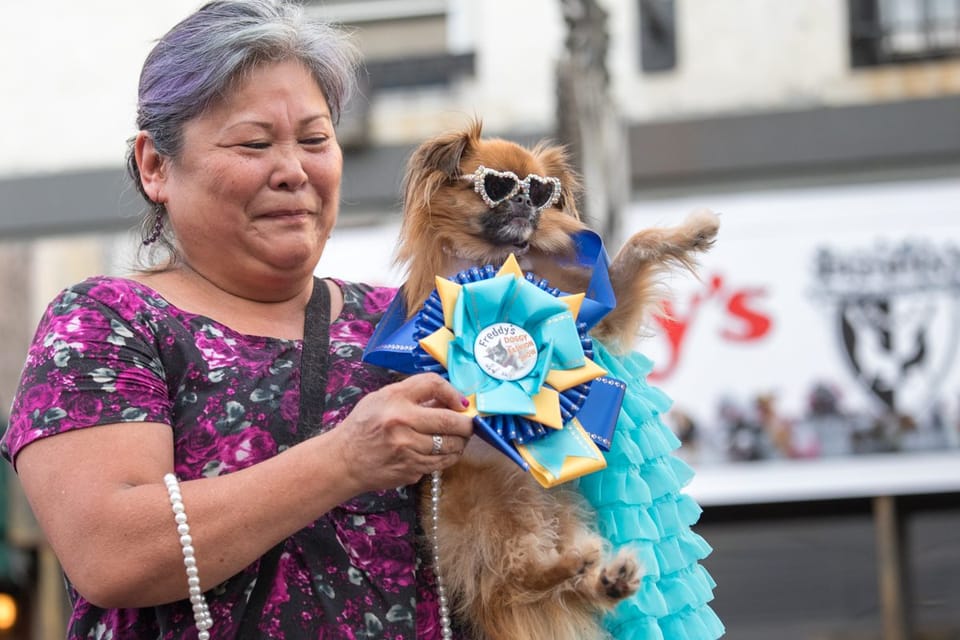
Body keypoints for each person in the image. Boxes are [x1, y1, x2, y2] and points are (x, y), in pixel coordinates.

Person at [1, 1, 474, 638]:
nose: (293, 171)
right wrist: (345, 459)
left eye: (315, 139)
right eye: (254, 143)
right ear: (155, 166)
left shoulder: (411, 319)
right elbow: (111, 552)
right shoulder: (108, 323)